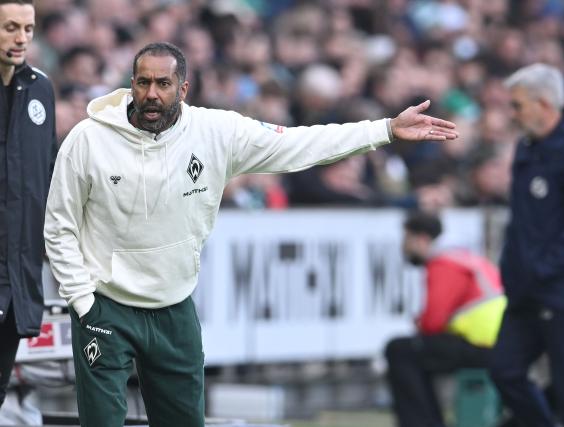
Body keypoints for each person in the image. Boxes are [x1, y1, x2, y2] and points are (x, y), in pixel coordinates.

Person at [43, 42, 458, 427]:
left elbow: (300, 144)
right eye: (143, 82)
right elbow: (59, 224)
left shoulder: (216, 132)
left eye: (163, 83)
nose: (152, 93)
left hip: (174, 308)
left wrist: (383, 129)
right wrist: (83, 300)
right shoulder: (89, 139)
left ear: (183, 88)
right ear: (131, 83)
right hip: (106, 308)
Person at [489, 63, 564, 427]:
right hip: (526, 289)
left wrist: (543, 266)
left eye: (518, 105)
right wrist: (515, 269)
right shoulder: (529, 146)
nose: (513, 113)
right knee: (505, 370)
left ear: (543, 104)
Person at [385, 211, 506, 427]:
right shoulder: (463, 257)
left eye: (407, 240)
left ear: (421, 239)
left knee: (399, 350)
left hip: (482, 345)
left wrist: (420, 323)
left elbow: (433, 321)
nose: (404, 248)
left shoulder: (443, 264)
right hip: (498, 342)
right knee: (415, 352)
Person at [0, 0, 57, 409]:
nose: (21, 38)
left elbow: (47, 174)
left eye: (28, 28)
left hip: (18, 273)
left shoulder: (41, 89)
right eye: (9, 28)